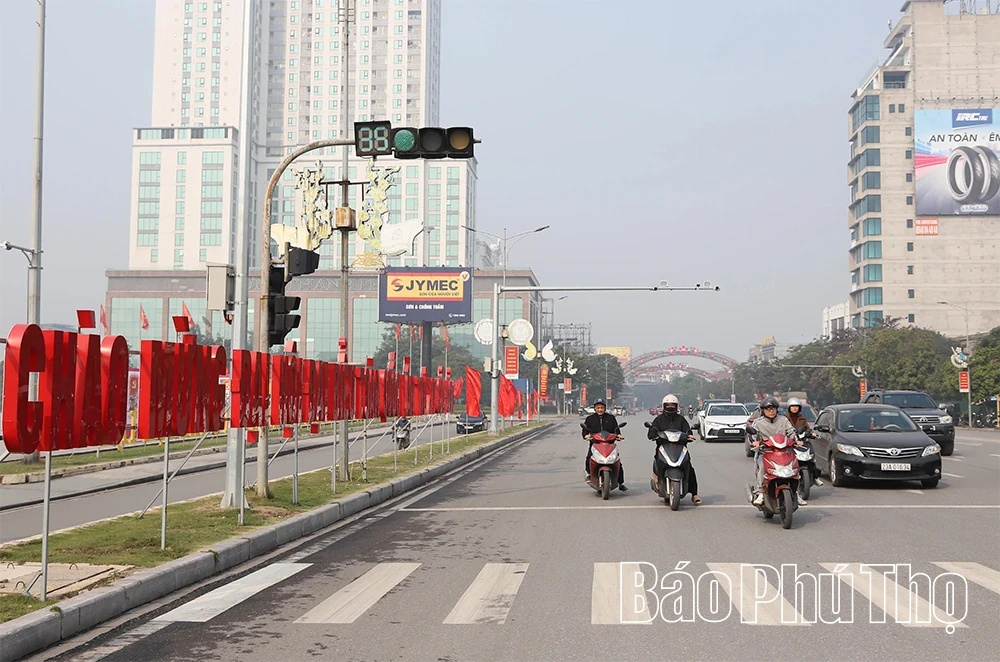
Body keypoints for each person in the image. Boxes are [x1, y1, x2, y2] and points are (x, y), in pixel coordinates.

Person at [750, 397, 805, 505]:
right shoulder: (757, 422)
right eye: (768, 409)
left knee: (795, 466)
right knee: (762, 467)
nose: (771, 411)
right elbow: (752, 435)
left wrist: (797, 440)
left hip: (784, 451)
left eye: (773, 408)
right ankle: (761, 492)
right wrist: (754, 442)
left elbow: (791, 432)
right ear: (763, 410)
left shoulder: (783, 420)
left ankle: (796, 493)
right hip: (766, 451)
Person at [648, 394, 701, 504]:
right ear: (664, 406)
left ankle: (694, 494)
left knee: (689, 468)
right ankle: (658, 481)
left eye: (673, 405)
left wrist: (689, 434)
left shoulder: (681, 420)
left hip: (680, 448)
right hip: (663, 447)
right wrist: (653, 434)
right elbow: (652, 432)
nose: (671, 407)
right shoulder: (658, 420)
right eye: (668, 405)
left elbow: (687, 431)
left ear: (677, 407)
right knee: (659, 463)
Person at [582, 400, 627, 491]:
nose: (600, 410)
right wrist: (586, 435)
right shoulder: (590, 419)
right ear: (595, 408)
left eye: (602, 408)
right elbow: (585, 431)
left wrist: (618, 435)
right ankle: (589, 474)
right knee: (589, 459)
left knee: (617, 462)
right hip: (595, 443)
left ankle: (620, 482)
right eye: (598, 408)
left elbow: (616, 429)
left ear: (605, 408)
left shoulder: (611, 418)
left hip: (609, 444)